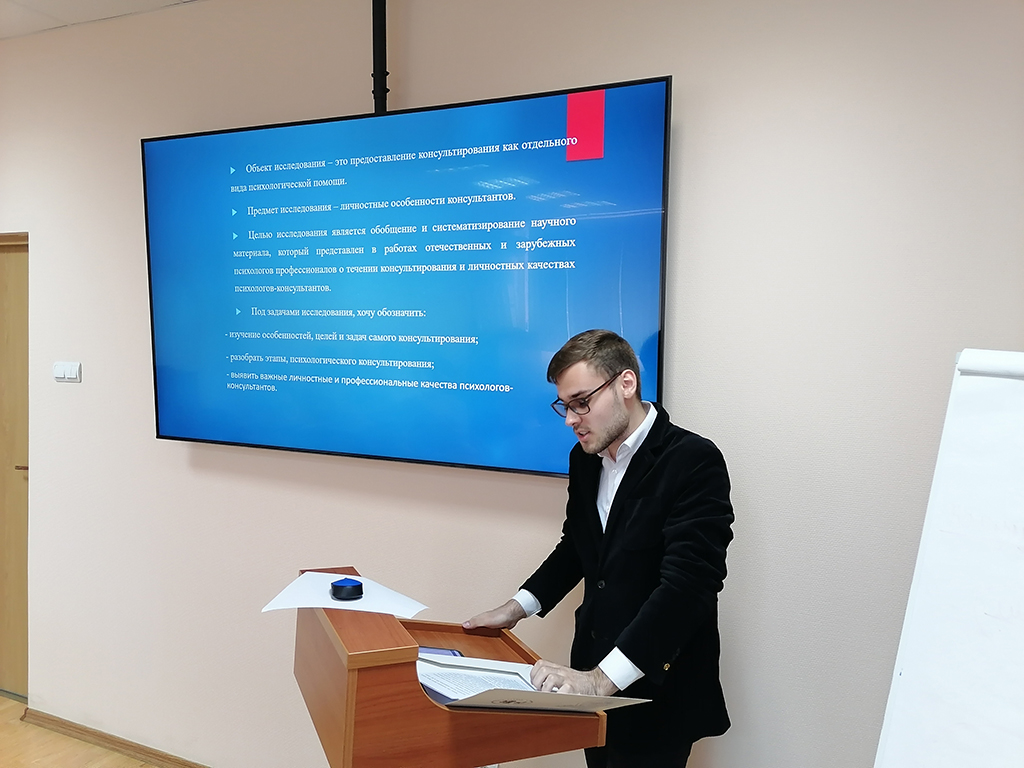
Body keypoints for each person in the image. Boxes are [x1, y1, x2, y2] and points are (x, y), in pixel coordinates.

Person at [464, 329, 734, 768]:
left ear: (626, 383)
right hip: (591, 676)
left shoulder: (693, 460)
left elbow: (689, 589)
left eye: (581, 402)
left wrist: (601, 680)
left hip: (657, 689)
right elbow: (578, 545)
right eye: (564, 406)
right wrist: (516, 608)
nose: (570, 420)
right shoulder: (585, 458)